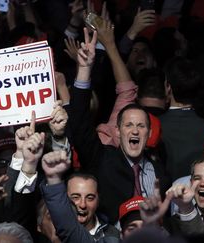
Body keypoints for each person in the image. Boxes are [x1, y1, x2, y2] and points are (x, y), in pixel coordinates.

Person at [69, 27, 169, 223]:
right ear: (117, 130)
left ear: (149, 134)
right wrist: (84, 70)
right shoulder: (102, 158)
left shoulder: (160, 172)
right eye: (129, 125)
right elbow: (80, 123)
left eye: (141, 126)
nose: (134, 130)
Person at [40, 150, 120, 243]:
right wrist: (54, 179)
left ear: (98, 201)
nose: (82, 205)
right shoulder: (54, 233)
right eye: (75, 197)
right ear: (64, 198)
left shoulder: (113, 235)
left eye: (90, 198)